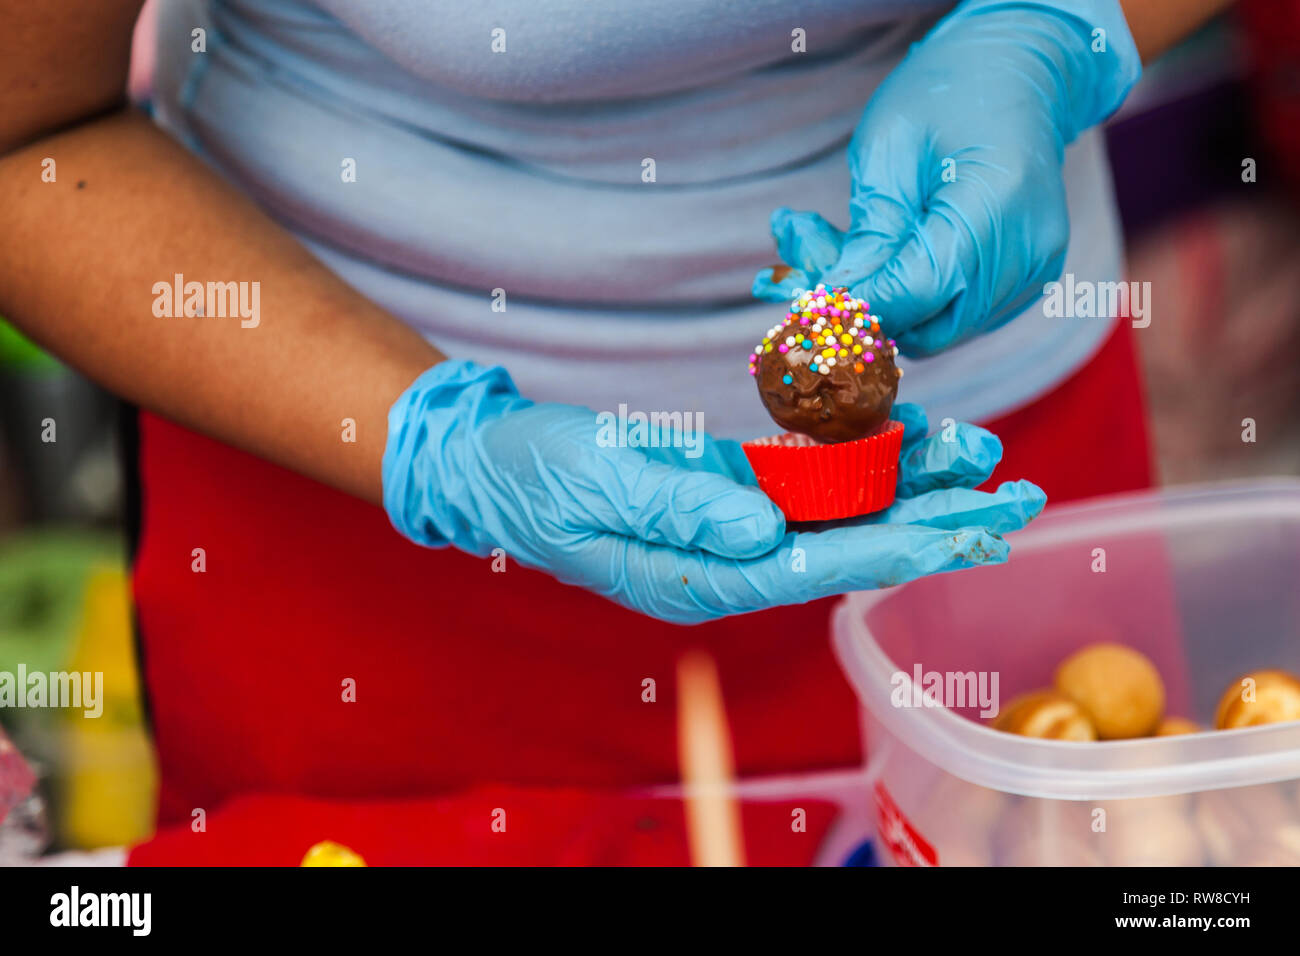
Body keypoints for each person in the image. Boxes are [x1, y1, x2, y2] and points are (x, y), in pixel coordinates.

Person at [0, 0, 1232, 864]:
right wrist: (440, 445)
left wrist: (1063, 28)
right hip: (347, 489)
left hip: (968, 494)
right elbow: (28, 140)